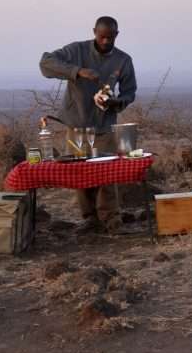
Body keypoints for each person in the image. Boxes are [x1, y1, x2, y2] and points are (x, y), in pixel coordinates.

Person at [39, 16, 137, 232]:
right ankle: (90, 219)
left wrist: (117, 102)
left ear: (117, 35)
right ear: (94, 32)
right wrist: (77, 71)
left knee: (107, 173)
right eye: (102, 37)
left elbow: (130, 92)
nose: (105, 42)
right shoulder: (77, 51)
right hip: (77, 123)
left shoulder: (123, 60)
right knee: (80, 172)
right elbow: (45, 63)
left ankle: (111, 221)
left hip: (104, 124)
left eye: (110, 38)